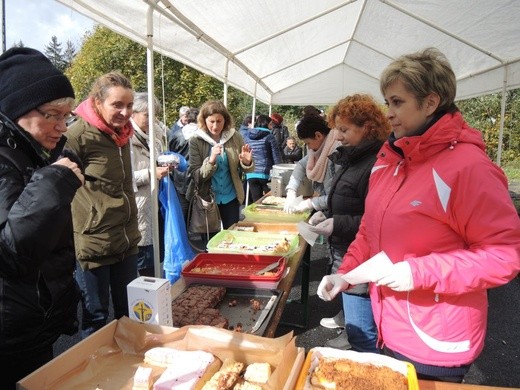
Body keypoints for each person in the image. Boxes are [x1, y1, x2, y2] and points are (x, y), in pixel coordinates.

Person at [317, 48, 520, 383]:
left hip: (437, 339)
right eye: (388, 103)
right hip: (390, 323)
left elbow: (504, 256)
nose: (390, 114)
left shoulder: (469, 168)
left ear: (430, 103)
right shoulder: (390, 158)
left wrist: (418, 272)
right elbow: (370, 230)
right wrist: (347, 274)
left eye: (398, 102)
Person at [0, 47, 84, 389]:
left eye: (67, 116)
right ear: (17, 109)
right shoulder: (6, 161)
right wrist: (54, 181)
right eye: (52, 115)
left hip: (33, 322)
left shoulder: (34, 153)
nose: (62, 127)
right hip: (10, 334)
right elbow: (11, 253)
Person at [309, 94, 391, 353]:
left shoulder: (375, 163)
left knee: (363, 334)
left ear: (366, 128)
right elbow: (348, 199)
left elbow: (378, 221)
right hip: (347, 251)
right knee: (357, 326)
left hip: (361, 259)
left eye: (344, 130)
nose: (339, 136)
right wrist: (329, 213)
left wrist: (338, 222)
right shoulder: (355, 157)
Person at [66, 71, 141, 339]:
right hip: (94, 242)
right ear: (98, 103)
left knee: (129, 312)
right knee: (96, 319)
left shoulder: (123, 135)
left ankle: (128, 370)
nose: (125, 112)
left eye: (129, 105)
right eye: (117, 105)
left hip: (126, 240)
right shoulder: (77, 136)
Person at [187, 100, 254, 230]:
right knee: (210, 242)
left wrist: (246, 163)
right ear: (204, 120)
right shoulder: (196, 140)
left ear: (226, 121)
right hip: (208, 200)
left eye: (219, 121)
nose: (215, 126)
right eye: (212, 121)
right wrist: (211, 160)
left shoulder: (235, 137)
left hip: (231, 197)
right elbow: (196, 175)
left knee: (231, 237)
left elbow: (247, 168)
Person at [130, 92, 169, 277]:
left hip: (156, 205)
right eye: (147, 115)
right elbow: (124, 179)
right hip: (140, 209)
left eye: (154, 115)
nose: (151, 120)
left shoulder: (153, 137)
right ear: (133, 113)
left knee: (155, 258)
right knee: (144, 262)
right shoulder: (127, 141)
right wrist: (150, 174)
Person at [283, 115, 340, 213]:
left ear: (318, 135)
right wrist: (291, 191)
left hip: (338, 210)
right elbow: (301, 165)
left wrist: (311, 203)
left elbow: (340, 198)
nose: (308, 148)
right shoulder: (319, 151)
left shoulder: (337, 152)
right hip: (330, 207)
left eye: (308, 143)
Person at [169, 107, 199, 221]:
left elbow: (171, 154)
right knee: (199, 211)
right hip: (197, 175)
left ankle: (185, 236)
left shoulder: (176, 134)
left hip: (180, 176)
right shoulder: (203, 135)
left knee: (182, 212)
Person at [243, 114, 283, 202]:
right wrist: (280, 170)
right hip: (266, 173)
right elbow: (276, 155)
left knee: (256, 200)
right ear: (268, 124)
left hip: (251, 173)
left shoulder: (247, 136)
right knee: (271, 200)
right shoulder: (269, 136)